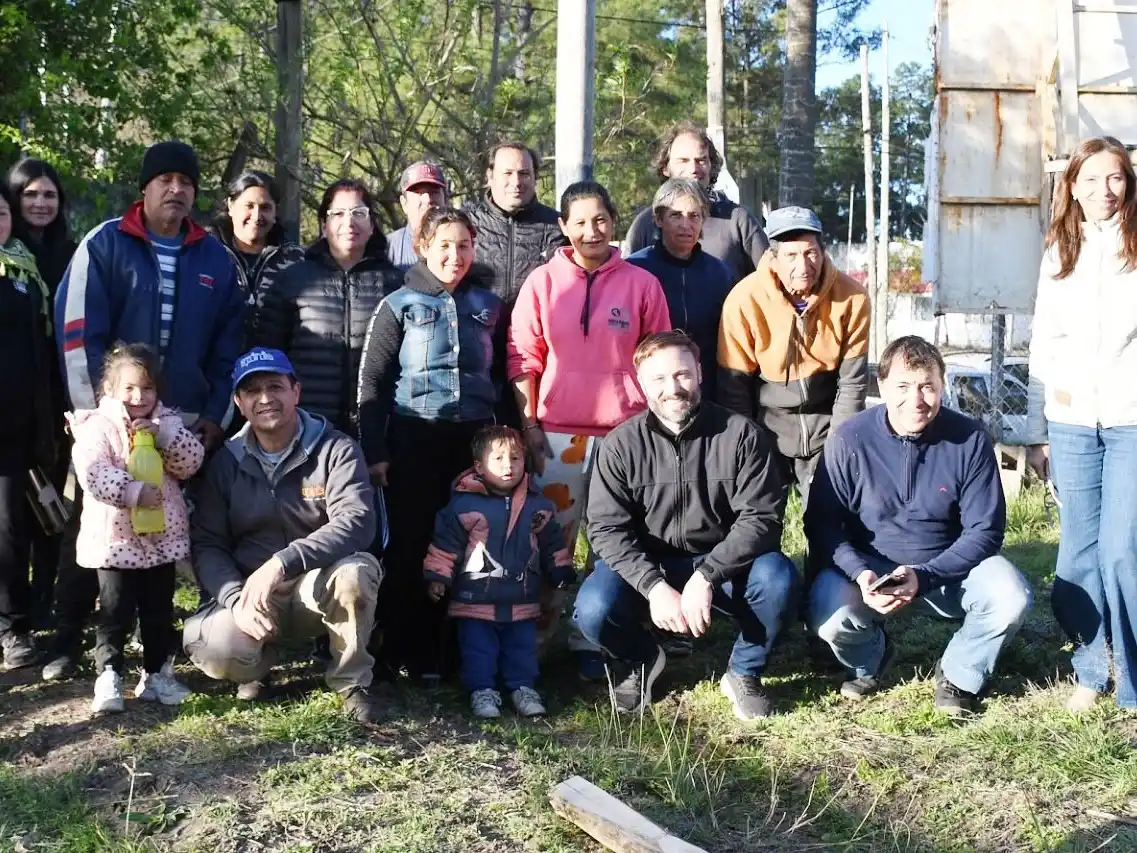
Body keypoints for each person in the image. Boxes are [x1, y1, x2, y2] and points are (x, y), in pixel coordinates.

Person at [574, 331, 799, 719]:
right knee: (592, 609)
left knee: (779, 580)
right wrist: (653, 586)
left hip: (723, 564)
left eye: (682, 375)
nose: (673, 389)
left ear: (699, 374)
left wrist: (707, 576)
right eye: (659, 379)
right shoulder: (619, 445)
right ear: (641, 384)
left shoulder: (741, 435)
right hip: (649, 566)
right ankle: (643, 658)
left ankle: (744, 671)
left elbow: (762, 517)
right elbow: (606, 530)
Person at [806, 336, 1032, 717]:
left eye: (928, 386)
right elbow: (822, 524)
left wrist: (925, 576)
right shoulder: (849, 438)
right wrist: (860, 573)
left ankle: (961, 673)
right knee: (828, 616)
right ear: (881, 386)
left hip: (948, 570)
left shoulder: (970, 439)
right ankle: (871, 659)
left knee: (1011, 596)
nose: (917, 400)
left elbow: (986, 530)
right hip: (870, 574)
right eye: (903, 386)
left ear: (942, 385)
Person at [508, 181, 671, 673]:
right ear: (563, 227)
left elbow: (659, 356)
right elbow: (523, 358)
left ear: (613, 221)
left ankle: (594, 642)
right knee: (548, 542)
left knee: (615, 543)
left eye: (599, 219)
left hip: (625, 437)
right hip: (558, 436)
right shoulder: (542, 283)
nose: (590, 230)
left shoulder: (641, 283)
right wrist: (530, 423)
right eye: (579, 221)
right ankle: (532, 642)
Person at [183, 347, 385, 723]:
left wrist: (282, 562)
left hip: (316, 584)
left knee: (357, 573)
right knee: (214, 647)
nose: (265, 399)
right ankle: (257, 669)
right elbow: (208, 543)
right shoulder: (225, 462)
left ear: (296, 391)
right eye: (252, 391)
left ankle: (351, 681)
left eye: (275, 386)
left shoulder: (336, 448)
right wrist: (233, 598)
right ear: (239, 404)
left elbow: (356, 522)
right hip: (253, 593)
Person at [357, 208, 501, 680]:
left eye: (463, 246)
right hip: (413, 437)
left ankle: (457, 654)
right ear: (422, 246)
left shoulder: (487, 304)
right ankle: (404, 648)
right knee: (413, 543)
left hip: (473, 440)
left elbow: (499, 376)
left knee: (469, 543)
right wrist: (375, 451)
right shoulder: (398, 304)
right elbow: (372, 384)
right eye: (444, 245)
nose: (454, 256)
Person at [1027, 135, 1137, 712]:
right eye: (1090, 179)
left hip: (1130, 422)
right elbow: (1044, 340)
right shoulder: (1059, 250)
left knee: (1121, 551)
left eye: (1114, 177)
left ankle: (1134, 681)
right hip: (1071, 421)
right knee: (1075, 555)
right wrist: (1042, 425)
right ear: (1071, 185)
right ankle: (1092, 667)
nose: (1103, 190)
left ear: (1129, 182)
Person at [56, 140, 245, 453]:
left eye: (186, 182)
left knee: (174, 504)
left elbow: (228, 348)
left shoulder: (216, 259)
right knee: (113, 502)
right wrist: (94, 415)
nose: (176, 188)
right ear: (145, 188)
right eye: (165, 179)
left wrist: (216, 416)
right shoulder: (104, 246)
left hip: (186, 429)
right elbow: (77, 340)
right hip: (114, 424)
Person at [68, 344, 204, 713]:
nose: (138, 397)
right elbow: (92, 472)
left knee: (159, 611)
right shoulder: (97, 426)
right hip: (115, 542)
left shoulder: (169, 423)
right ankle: (108, 674)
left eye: (146, 388)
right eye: (128, 388)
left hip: (161, 540)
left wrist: (163, 437)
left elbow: (191, 462)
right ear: (109, 389)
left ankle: (157, 673)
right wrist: (132, 491)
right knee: (114, 611)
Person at [718, 205, 869, 511]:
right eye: (791, 255)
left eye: (811, 252)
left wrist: (838, 445)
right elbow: (733, 389)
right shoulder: (744, 300)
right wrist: (750, 446)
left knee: (831, 518)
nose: (803, 265)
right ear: (773, 257)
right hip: (768, 426)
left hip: (826, 423)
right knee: (760, 521)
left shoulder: (852, 298)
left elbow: (852, 384)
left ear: (823, 252)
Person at [424, 426, 576, 718]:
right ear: (479, 467)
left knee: (521, 648)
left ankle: (523, 688)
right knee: (478, 650)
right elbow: (445, 546)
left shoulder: (538, 505)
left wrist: (560, 567)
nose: (509, 466)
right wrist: (438, 576)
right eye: (499, 459)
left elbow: (552, 542)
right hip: (474, 599)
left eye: (516, 458)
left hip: (522, 597)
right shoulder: (464, 505)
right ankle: (482, 691)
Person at [257, 178, 401, 436]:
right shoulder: (293, 280)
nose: (349, 222)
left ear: (371, 224)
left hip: (378, 428)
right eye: (338, 214)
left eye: (359, 213)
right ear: (324, 225)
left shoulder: (395, 284)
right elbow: (268, 357)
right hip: (307, 425)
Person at [6, 158, 76, 626]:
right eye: (30, 194)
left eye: (49, 195)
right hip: (12, 399)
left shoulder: (72, 253)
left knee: (50, 504)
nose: (40, 203)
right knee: (11, 512)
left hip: (60, 398)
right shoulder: (8, 256)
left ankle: (46, 600)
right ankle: (13, 611)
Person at [464, 142, 566, 426]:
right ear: (489, 175)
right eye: (507, 173)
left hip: (537, 363)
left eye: (524, 173)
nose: (516, 182)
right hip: (476, 361)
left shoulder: (558, 227)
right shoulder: (466, 222)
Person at [0, 186, 58, 668]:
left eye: (0, 213)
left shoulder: (25, 272)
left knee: (9, 528)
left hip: (15, 423)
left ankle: (13, 627)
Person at [626, 178, 734, 400]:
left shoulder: (721, 273)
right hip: (650, 392)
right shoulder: (635, 270)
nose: (686, 224)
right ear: (658, 219)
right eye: (676, 215)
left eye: (694, 216)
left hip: (707, 390)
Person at [623, 121, 767, 282]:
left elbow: (769, 280)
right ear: (665, 167)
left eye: (701, 160)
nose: (694, 168)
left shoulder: (737, 220)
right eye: (683, 160)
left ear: (711, 166)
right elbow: (628, 285)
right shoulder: (646, 222)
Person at [211, 169, 305, 340]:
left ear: (276, 212)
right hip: (217, 361)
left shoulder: (294, 259)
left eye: (265, 208)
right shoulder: (208, 253)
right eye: (249, 206)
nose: (256, 216)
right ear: (231, 206)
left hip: (275, 361)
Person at [386, 161, 448, 271]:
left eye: (434, 192)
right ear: (404, 203)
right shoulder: (388, 249)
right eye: (419, 193)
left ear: (445, 199)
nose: (428, 199)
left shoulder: (464, 245)